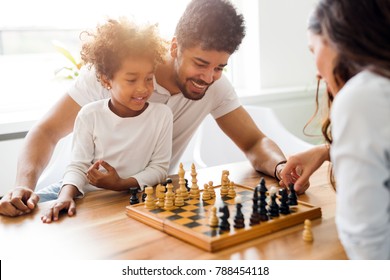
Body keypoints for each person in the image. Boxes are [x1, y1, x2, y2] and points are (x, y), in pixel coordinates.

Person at [0, 0, 287, 217]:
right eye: (200, 64)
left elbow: (254, 141)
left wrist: (281, 166)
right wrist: (21, 184)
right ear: (175, 47)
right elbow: (47, 131)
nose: (209, 78)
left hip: (143, 199)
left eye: (219, 68)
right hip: (81, 194)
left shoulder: (215, 87)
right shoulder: (117, 71)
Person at [280, 0, 390, 259]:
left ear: (338, 39)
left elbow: (366, 244)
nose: (317, 73)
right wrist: (328, 150)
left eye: (313, 49)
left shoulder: (363, 95)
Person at [39, 17, 172, 222]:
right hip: (79, 190)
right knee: (23, 206)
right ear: (105, 80)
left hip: (126, 193)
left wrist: (120, 183)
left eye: (148, 78)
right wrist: (65, 196)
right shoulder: (89, 114)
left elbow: (159, 169)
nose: (143, 88)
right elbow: (77, 167)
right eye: (131, 79)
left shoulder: (162, 115)